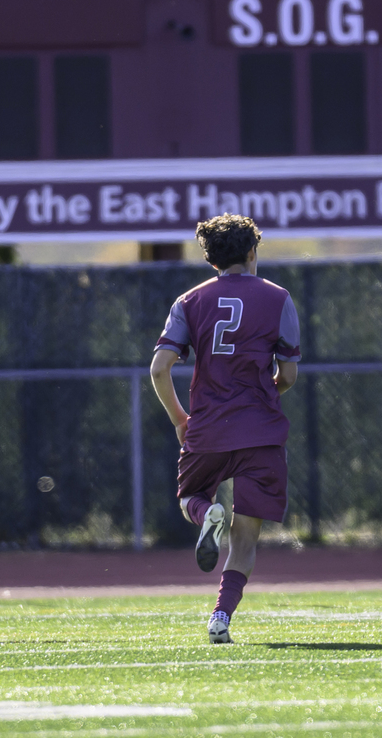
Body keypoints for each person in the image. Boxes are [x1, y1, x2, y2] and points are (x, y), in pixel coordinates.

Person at [149, 214, 301, 644]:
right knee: (245, 540)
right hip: (261, 431)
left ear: (210, 258)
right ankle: (220, 617)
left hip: (209, 428)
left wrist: (181, 419)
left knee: (189, 498)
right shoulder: (279, 298)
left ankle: (206, 514)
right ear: (252, 252)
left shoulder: (188, 301)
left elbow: (160, 368)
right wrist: (264, 393)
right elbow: (288, 375)